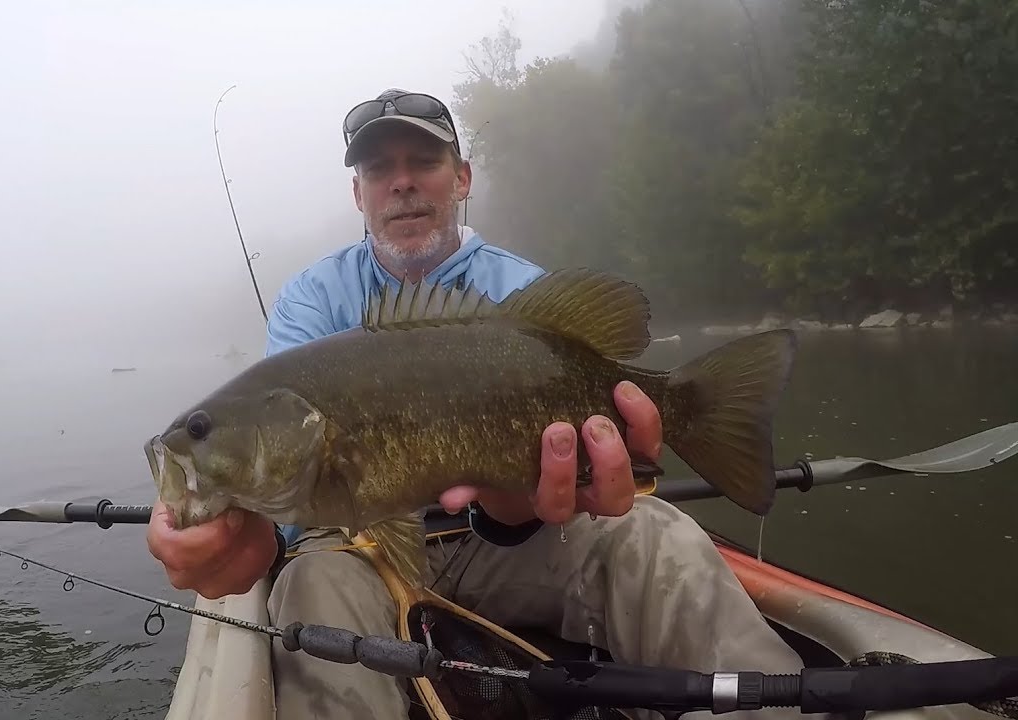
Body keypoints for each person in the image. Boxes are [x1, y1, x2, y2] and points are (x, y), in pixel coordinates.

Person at [147, 88, 805, 719]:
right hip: (358, 549)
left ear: (461, 178)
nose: (402, 182)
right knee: (311, 585)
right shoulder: (311, 301)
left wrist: (526, 507)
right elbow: (296, 513)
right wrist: (243, 537)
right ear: (359, 194)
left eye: (424, 162)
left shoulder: (521, 292)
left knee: (659, 536)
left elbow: (590, 465)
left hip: (523, 539)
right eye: (379, 169)